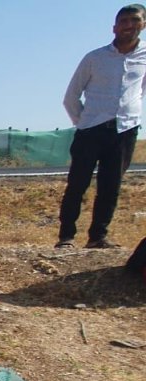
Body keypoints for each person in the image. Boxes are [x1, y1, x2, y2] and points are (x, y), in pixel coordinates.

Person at [57, 4, 146, 250]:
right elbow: (71, 96)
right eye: (124, 21)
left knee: (111, 187)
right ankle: (66, 237)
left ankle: (98, 237)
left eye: (134, 20)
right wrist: (84, 122)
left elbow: (140, 92)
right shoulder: (94, 58)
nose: (129, 25)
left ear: (143, 24)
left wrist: (130, 115)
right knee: (77, 184)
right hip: (91, 130)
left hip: (124, 132)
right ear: (114, 27)